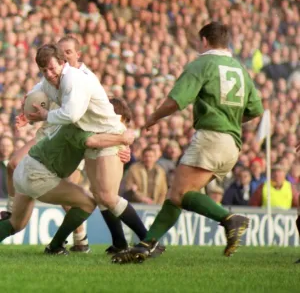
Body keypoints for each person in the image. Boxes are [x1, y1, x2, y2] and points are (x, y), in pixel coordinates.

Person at [112, 21, 264, 264]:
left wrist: (154, 116)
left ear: (204, 41)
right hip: (232, 143)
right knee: (177, 194)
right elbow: (256, 109)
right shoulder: (241, 69)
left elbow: (177, 100)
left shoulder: (202, 63)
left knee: (181, 193)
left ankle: (229, 219)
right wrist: (232, 119)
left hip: (211, 137)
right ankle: (146, 244)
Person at [0, 36, 131, 253]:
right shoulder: (53, 78)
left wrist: (122, 145)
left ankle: (80, 240)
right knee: (15, 166)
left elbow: (106, 123)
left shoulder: (83, 80)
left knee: (83, 193)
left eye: (69, 52)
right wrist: (29, 113)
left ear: (76, 55)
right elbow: (36, 93)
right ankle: (58, 240)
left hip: (71, 133)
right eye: (62, 52)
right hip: (54, 132)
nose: (65, 56)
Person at [27, 43, 152, 254]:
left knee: (104, 195)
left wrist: (122, 137)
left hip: (96, 138)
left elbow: (82, 115)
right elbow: (39, 89)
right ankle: (118, 242)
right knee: (98, 193)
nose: (49, 73)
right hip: (82, 139)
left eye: (68, 52)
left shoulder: (77, 78)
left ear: (70, 58)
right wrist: (27, 103)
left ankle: (150, 240)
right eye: (44, 69)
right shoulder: (55, 80)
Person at [0, 118, 135, 254]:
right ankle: (57, 246)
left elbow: (14, 163)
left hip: (25, 169)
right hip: (37, 176)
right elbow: (92, 142)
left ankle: (76, 241)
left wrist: (124, 149)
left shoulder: (67, 121)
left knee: (16, 224)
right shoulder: (83, 130)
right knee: (87, 202)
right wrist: (124, 139)